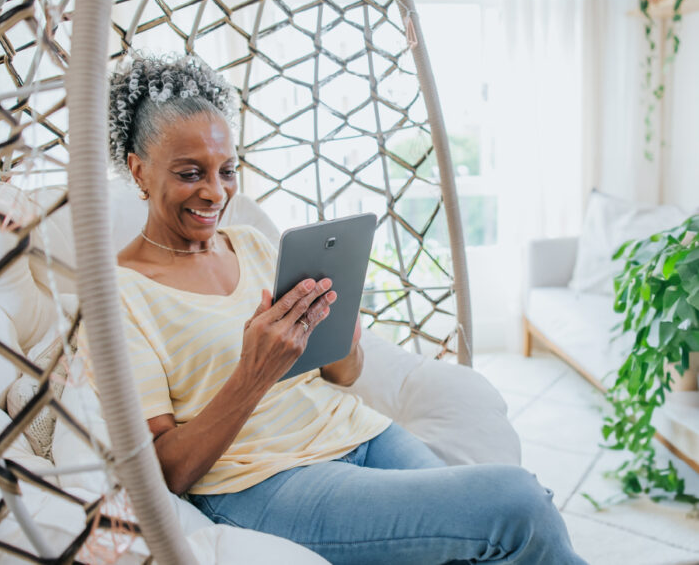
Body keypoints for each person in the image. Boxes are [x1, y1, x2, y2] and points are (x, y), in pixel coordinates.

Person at [83, 53, 588, 564]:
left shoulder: (251, 245)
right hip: (263, 481)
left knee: (482, 545)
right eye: (192, 173)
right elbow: (165, 473)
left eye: (228, 170)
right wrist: (254, 373)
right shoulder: (118, 298)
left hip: (361, 434)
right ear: (139, 170)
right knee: (519, 504)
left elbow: (343, 375)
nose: (216, 192)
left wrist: (340, 338)